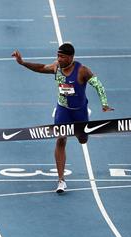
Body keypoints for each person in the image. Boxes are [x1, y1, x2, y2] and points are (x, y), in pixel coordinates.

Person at [12, 43, 114, 193]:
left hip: (79, 111)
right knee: (61, 138)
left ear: (71, 57)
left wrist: (104, 104)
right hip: (63, 109)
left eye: (62, 57)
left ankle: (86, 117)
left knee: (83, 140)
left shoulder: (82, 71)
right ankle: (61, 180)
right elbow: (40, 68)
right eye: (57, 56)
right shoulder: (56, 67)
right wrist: (22, 63)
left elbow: (98, 86)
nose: (58, 59)